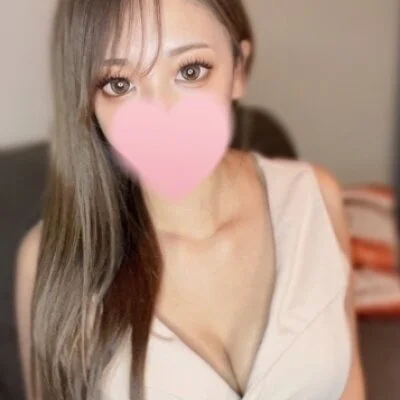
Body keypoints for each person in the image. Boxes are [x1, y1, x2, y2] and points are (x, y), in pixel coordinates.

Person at [14, 0, 365, 399]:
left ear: (238, 70)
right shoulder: (49, 261)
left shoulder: (316, 199)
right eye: (119, 84)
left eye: (190, 71)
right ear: (87, 99)